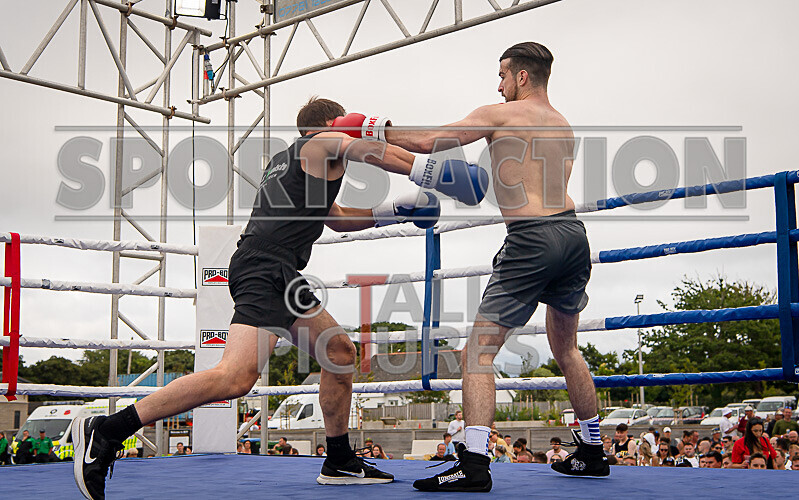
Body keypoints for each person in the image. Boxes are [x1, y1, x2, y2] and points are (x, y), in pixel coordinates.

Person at [70, 97, 472, 498]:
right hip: (265, 269)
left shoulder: (294, 161)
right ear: (333, 124)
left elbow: (337, 220)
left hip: (279, 272)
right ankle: (108, 431)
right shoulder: (319, 144)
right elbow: (366, 147)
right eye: (342, 127)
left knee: (339, 351)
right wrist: (430, 171)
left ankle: (338, 460)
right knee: (235, 378)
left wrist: (396, 210)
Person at [351, 41, 602, 490]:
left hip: (532, 239)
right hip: (573, 234)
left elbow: (430, 142)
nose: (499, 83)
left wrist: (376, 128)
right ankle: (594, 450)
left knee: (478, 351)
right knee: (567, 349)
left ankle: (475, 464)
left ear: (523, 76)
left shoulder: (502, 114)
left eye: (503, 74)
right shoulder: (563, 125)